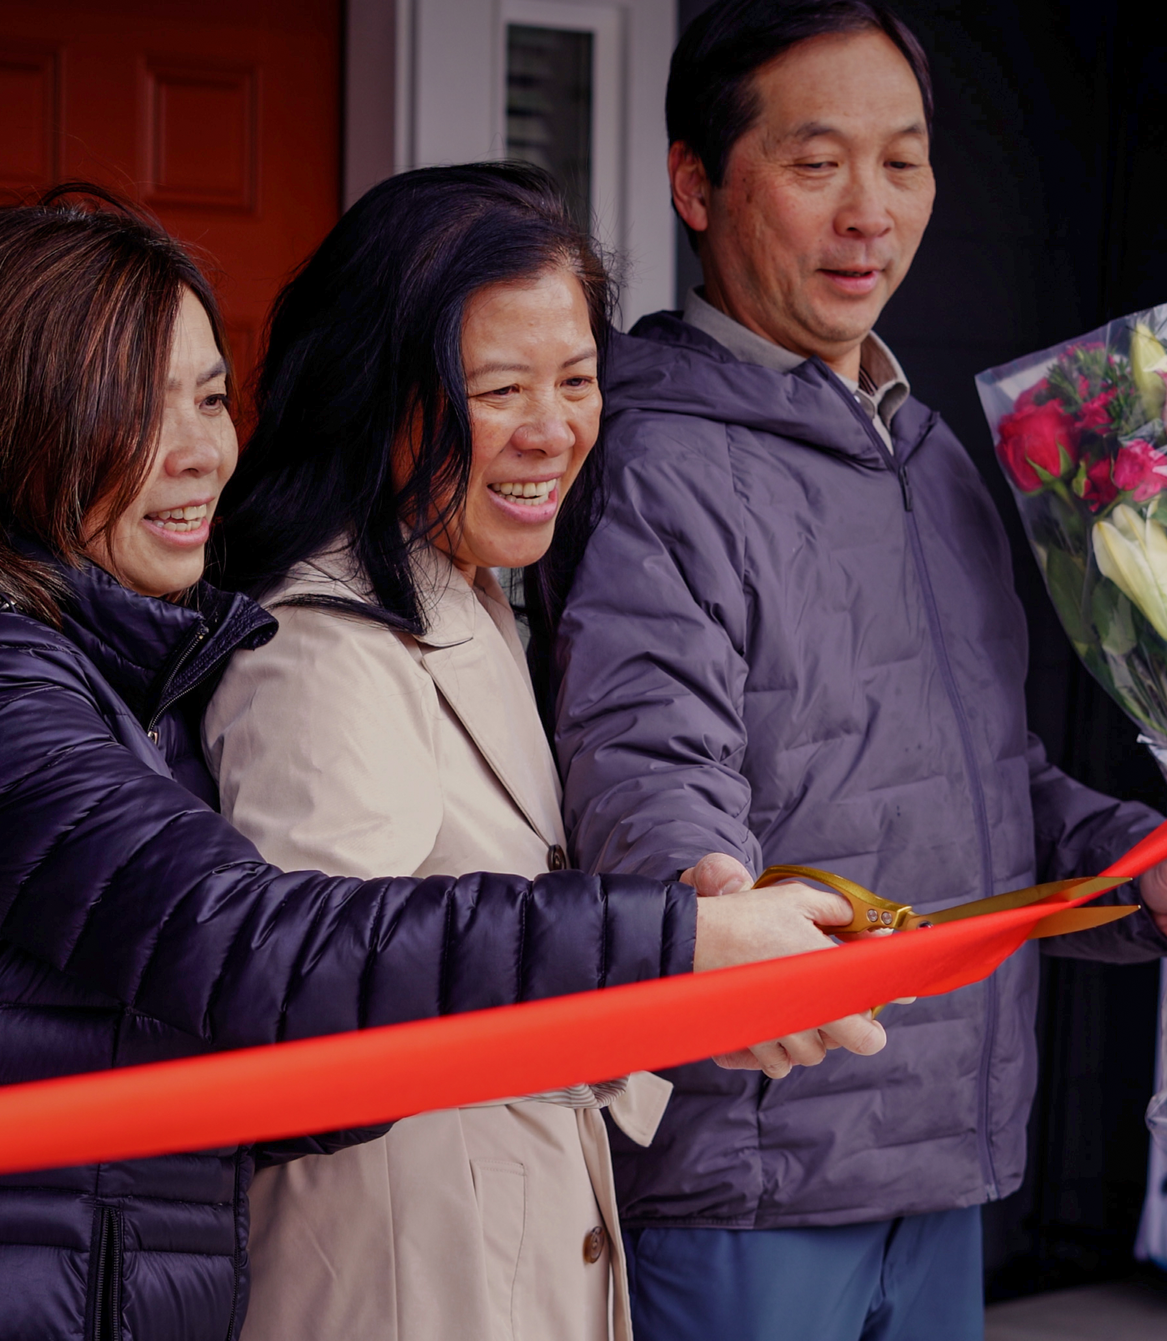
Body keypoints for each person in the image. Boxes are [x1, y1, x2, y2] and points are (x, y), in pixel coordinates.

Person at [0, 185, 873, 1341]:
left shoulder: (112, 669)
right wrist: (673, 947)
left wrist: (659, 1000)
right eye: (128, 412)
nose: (199, 455)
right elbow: (264, 949)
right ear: (0, 429)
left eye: (210, 398)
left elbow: (264, 1075)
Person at [543, 6, 1167, 1340]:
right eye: (817, 162)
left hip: (944, 1151)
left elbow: (990, 783)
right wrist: (706, 901)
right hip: (754, 1169)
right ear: (695, 184)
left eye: (904, 162)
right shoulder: (652, 460)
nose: (869, 217)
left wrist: (1151, 868)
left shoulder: (931, 458)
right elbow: (650, 771)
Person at [203, 162, 879, 1341]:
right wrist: (677, 952)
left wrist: (702, 967)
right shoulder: (317, 649)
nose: (553, 429)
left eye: (576, 380)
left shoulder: (481, 589)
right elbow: (316, 992)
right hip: (399, 1280)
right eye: (499, 387)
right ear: (380, 396)